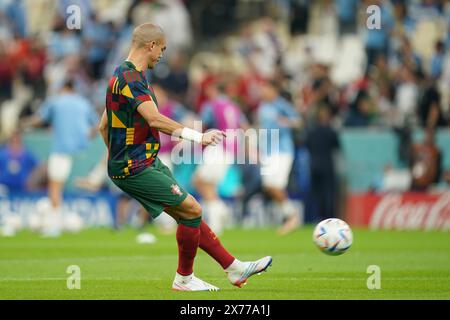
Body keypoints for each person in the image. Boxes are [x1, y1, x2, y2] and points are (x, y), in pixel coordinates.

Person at [98, 23, 272, 291]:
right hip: (135, 165)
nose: (162, 55)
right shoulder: (132, 79)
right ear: (151, 45)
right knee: (192, 209)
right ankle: (185, 279)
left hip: (141, 160)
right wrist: (198, 137)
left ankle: (233, 268)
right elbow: (154, 119)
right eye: (162, 49)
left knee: (187, 213)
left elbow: (104, 126)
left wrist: (116, 155)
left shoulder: (120, 76)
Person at [23, 79, 98, 237]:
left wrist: (22, 124)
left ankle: (54, 226)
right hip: (82, 152)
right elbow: (96, 126)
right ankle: (69, 219)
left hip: (61, 151)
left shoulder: (56, 101)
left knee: (55, 188)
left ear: (63, 87)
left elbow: (39, 119)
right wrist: (84, 138)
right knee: (76, 185)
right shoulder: (84, 103)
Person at [193, 78, 247, 235]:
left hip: (218, 146)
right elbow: (244, 127)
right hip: (231, 149)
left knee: (200, 181)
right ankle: (216, 219)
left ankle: (220, 212)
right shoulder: (233, 106)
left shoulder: (211, 105)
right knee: (207, 184)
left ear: (215, 90)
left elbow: (201, 125)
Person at [257, 79, 302, 235]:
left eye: (265, 89)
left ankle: (291, 217)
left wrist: (286, 121)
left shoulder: (281, 104)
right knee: (270, 186)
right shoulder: (262, 108)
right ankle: (290, 215)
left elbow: (298, 122)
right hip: (268, 152)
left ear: (273, 90)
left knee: (274, 185)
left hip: (282, 151)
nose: (262, 92)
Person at [305, 106, 341, 221]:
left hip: (314, 166)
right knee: (328, 194)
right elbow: (337, 147)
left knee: (315, 194)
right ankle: (329, 218)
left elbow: (307, 146)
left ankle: (314, 218)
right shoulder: (331, 132)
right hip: (327, 166)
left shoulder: (311, 132)